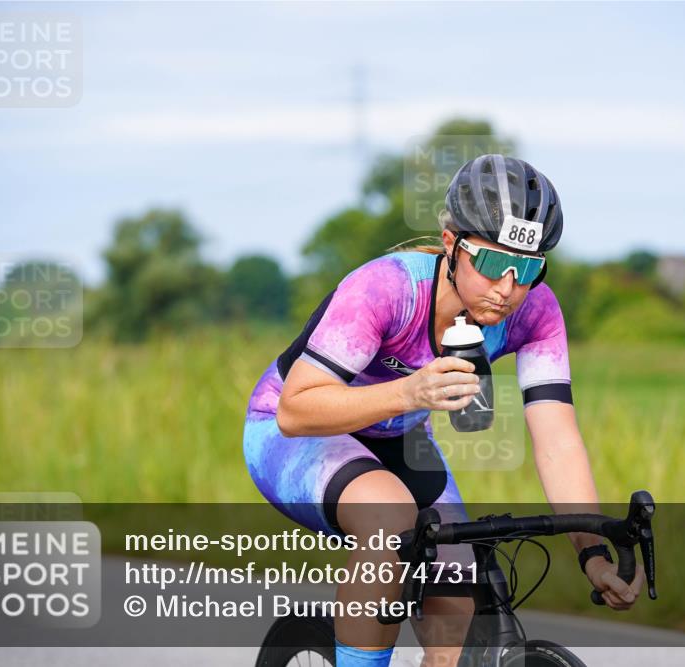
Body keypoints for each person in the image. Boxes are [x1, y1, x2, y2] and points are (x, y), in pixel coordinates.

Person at [243, 154, 643, 667]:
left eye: (527, 269)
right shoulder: (386, 288)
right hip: (294, 434)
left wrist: (592, 552)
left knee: (456, 600)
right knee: (390, 520)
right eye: (495, 263)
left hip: (395, 441)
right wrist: (411, 393)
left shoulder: (536, 312)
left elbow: (557, 441)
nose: (507, 289)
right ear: (452, 244)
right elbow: (296, 412)